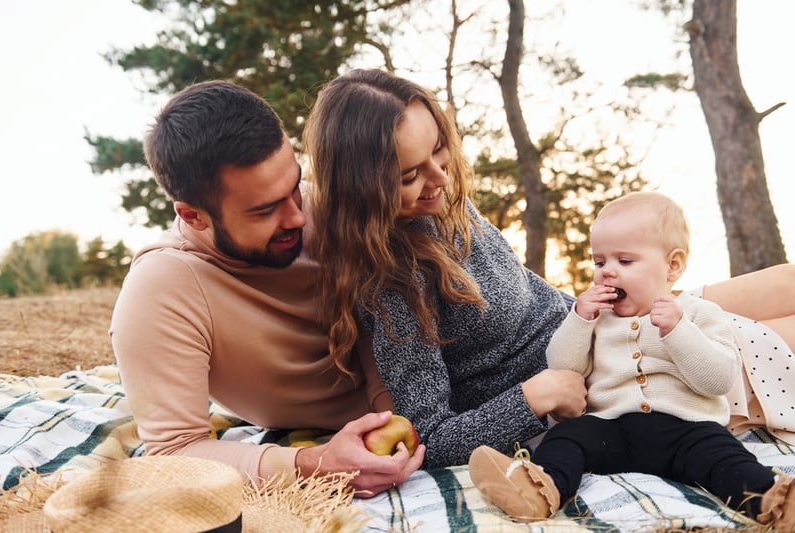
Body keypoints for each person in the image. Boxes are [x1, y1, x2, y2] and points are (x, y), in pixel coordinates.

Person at [303, 68, 795, 470]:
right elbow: (430, 437)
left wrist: (609, 297)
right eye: (409, 175)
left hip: (605, 316)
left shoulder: (446, 206)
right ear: (364, 189)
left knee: (788, 282)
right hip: (611, 370)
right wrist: (531, 397)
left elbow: (531, 297)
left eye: (438, 149)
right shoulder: (390, 285)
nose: (440, 178)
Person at [109, 80, 424, 498]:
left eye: (294, 185)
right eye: (264, 209)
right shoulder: (161, 292)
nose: (298, 216)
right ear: (194, 215)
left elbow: (380, 319)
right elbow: (175, 452)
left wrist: (395, 412)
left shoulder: (328, 208)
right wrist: (313, 465)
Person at [467, 191, 795, 529]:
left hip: (687, 430)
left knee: (724, 459)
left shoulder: (699, 314)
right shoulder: (597, 321)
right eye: (599, 262)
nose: (607, 272)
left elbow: (718, 379)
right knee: (569, 438)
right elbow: (564, 365)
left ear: (672, 265)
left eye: (624, 261)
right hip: (614, 431)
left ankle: (775, 500)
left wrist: (679, 331)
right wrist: (580, 318)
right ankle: (540, 488)